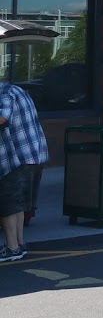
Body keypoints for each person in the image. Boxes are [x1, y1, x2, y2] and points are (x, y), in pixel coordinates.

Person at [0, 81, 49, 263]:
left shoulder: (4, 93)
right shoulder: (17, 90)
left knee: (8, 204)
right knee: (18, 203)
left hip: (15, 157)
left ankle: (11, 248)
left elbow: (3, 117)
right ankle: (19, 244)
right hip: (32, 154)